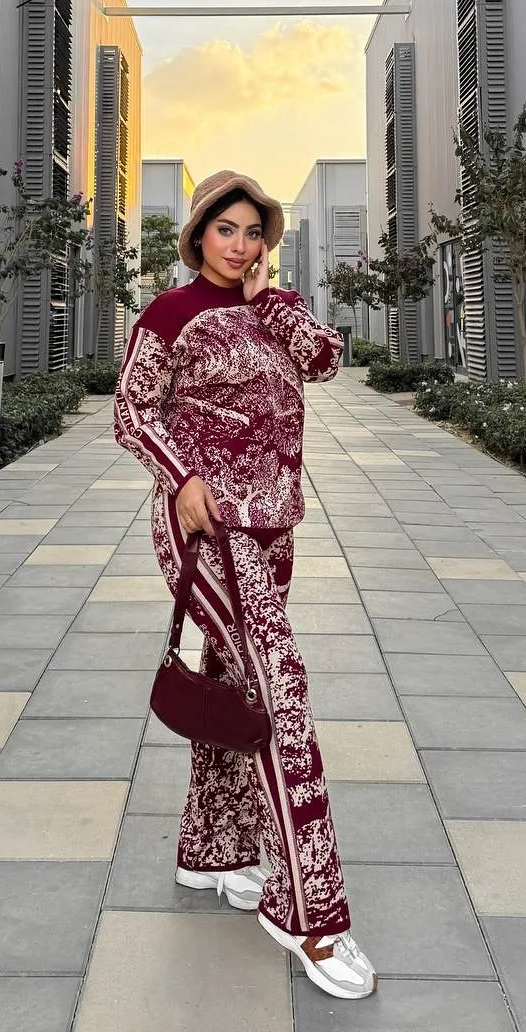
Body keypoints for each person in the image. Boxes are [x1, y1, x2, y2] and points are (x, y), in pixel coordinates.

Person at [114, 169, 377, 1001]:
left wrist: (272, 303)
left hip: (274, 523)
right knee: (281, 688)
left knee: (237, 682)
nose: (238, 244)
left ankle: (215, 851)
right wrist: (182, 477)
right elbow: (131, 411)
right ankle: (309, 914)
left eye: (253, 231)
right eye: (224, 229)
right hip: (208, 525)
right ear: (199, 235)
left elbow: (326, 360)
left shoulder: (275, 307)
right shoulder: (170, 313)